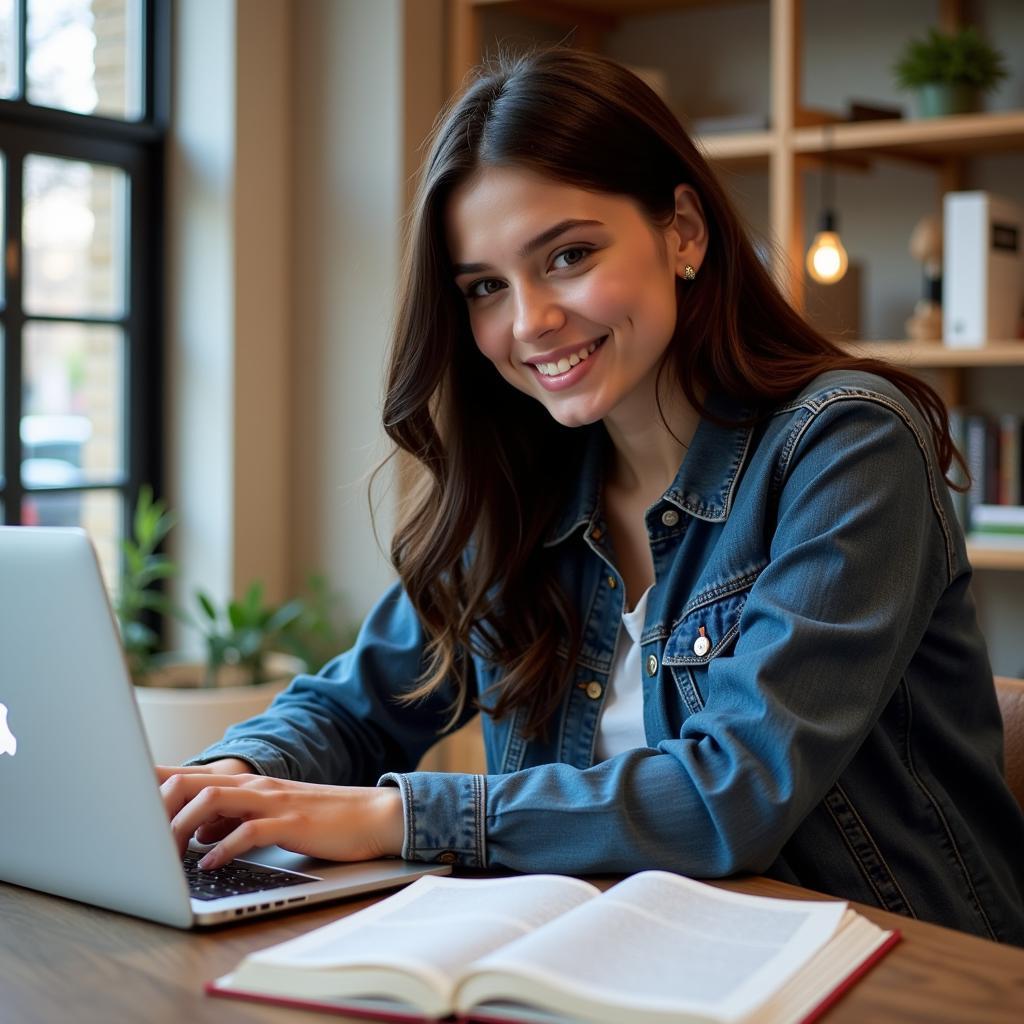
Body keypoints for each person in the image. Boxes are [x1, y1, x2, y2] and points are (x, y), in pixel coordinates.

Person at [158, 48, 1024, 944]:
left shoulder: (847, 444)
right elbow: (357, 703)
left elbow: (736, 790)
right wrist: (221, 779)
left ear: (683, 231)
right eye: (486, 287)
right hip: (620, 955)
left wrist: (398, 818)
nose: (529, 321)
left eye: (568, 255)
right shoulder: (528, 490)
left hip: (895, 963)